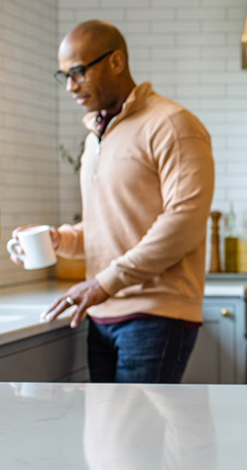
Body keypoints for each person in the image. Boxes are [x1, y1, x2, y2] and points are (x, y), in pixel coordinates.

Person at [9, 20, 215, 383]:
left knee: (135, 438)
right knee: (109, 437)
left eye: (78, 72)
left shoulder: (172, 124)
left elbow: (184, 223)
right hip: (102, 313)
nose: (71, 86)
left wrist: (104, 282)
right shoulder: (96, 137)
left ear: (116, 61)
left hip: (155, 315)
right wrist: (61, 240)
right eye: (64, 76)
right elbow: (108, 226)